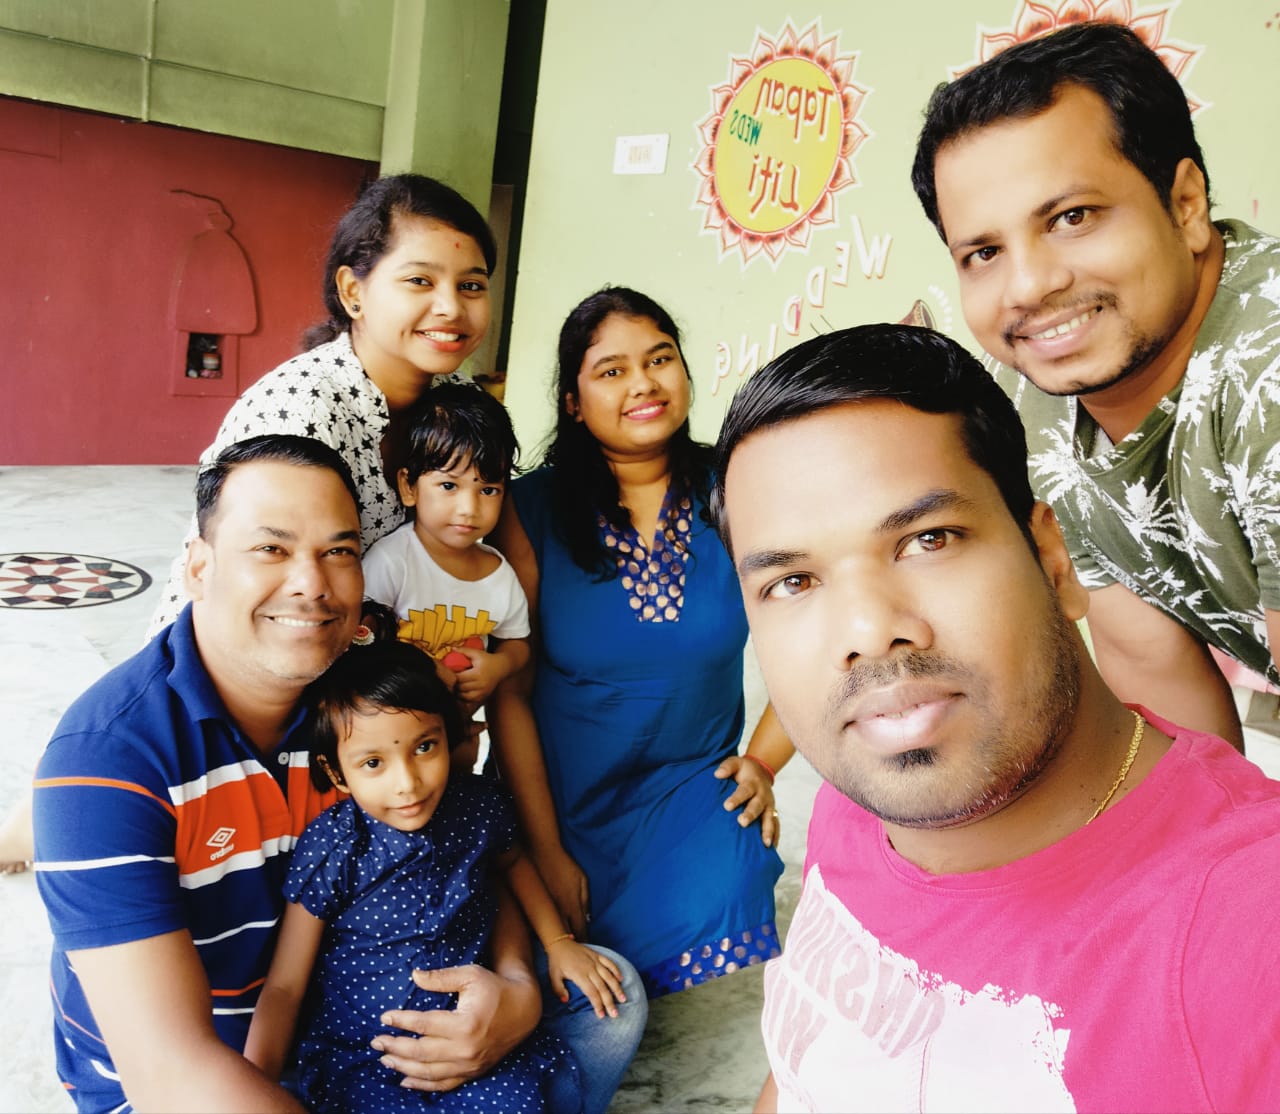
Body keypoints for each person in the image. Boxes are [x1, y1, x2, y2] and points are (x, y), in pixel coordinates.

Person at [710, 324, 1280, 1112]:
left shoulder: (1248, 934)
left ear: (1053, 560)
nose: (867, 633)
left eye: (927, 540)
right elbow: (805, 1065)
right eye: (792, 583)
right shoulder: (865, 792)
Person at [32, 435, 644, 1114]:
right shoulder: (108, 760)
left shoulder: (369, 712)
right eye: (272, 548)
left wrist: (516, 998)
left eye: (339, 552)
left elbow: (463, 850)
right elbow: (170, 1074)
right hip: (213, 1078)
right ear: (199, 567)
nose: (312, 584)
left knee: (610, 1000)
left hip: (365, 1011)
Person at [0, 173, 498, 875]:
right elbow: (257, 586)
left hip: (356, 637)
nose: (449, 306)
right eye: (420, 280)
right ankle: (44, 820)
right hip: (258, 643)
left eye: (471, 285)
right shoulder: (304, 406)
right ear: (354, 291)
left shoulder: (455, 402)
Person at [910, 20, 1280, 751]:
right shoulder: (1026, 401)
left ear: (1185, 205)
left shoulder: (1266, 371)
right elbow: (1152, 664)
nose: (1028, 287)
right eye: (984, 252)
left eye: (1071, 218)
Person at [487, 286, 791, 999]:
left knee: (733, 874)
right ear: (573, 401)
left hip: (687, 798)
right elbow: (510, 695)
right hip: (561, 804)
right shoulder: (530, 510)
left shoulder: (742, 487)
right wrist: (545, 849)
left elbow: (817, 638)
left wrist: (762, 763)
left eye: (659, 359)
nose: (644, 384)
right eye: (612, 370)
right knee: (560, 979)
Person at [245, 636, 625, 1114]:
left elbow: (512, 864)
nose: (407, 783)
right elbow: (285, 987)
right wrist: (253, 1088)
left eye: (425, 747)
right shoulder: (334, 846)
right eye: (373, 763)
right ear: (337, 773)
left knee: (529, 1090)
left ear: (451, 735)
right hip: (366, 1055)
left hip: (479, 1042)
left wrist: (558, 943)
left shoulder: (477, 807)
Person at [363, 382, 530, 712]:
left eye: (488, 490)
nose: (469, 508)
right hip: (390, 719)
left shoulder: (498, 575)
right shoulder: (393, 561)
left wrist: (499, 666)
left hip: (455, 723)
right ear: (409, 487)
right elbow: (360, 641)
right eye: (449, 485)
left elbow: (517, 641)